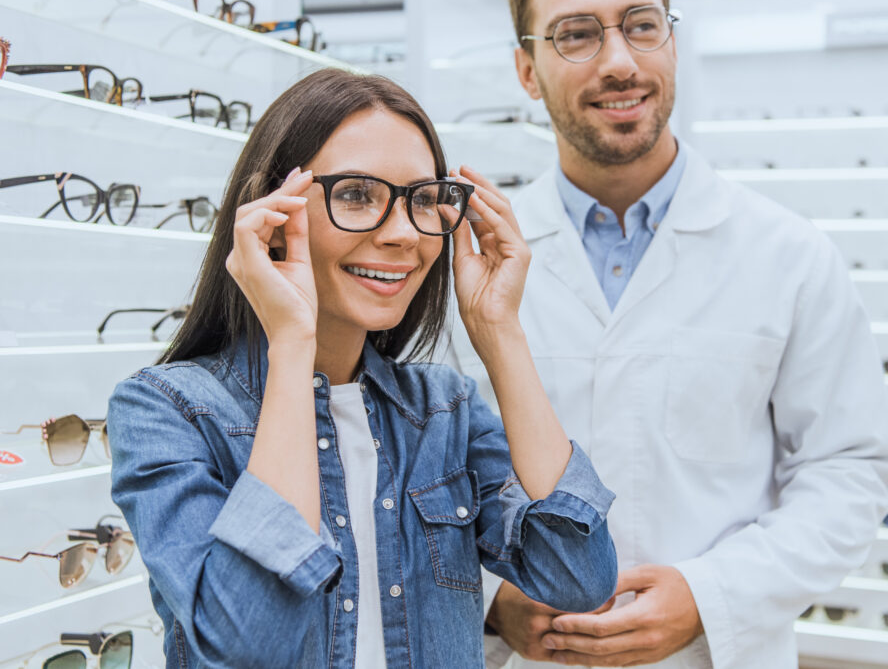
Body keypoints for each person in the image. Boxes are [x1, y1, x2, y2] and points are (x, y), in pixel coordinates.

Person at [445, 0, 888, 667]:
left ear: (672, 38)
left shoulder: (789, 257)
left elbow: (851, 468)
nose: (618, 61)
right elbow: (424, 474)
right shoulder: (467, 268)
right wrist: (491, 596)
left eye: (641, 25)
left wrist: (710, 594)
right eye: (576, 34)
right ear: (526, 69)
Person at [106, 69, 618, 668]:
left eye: (425, 200)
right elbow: (246, 642)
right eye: (356, 195)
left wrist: (499, 332)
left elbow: (578, 576)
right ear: (273, 213)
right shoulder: (166, 410)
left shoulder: (442, 412)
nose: (403, 234)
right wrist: (292, 343)